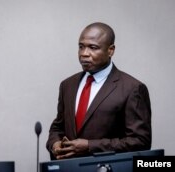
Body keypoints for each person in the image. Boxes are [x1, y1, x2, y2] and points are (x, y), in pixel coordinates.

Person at [46, 22, 152, 160]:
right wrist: (55, 144)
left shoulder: (132, 89)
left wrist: (90, 146)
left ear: (111, 50)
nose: (84, 54)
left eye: (93, 47)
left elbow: (140, 142)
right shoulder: (67, 85)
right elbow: (58, 127)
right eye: (81, 47)